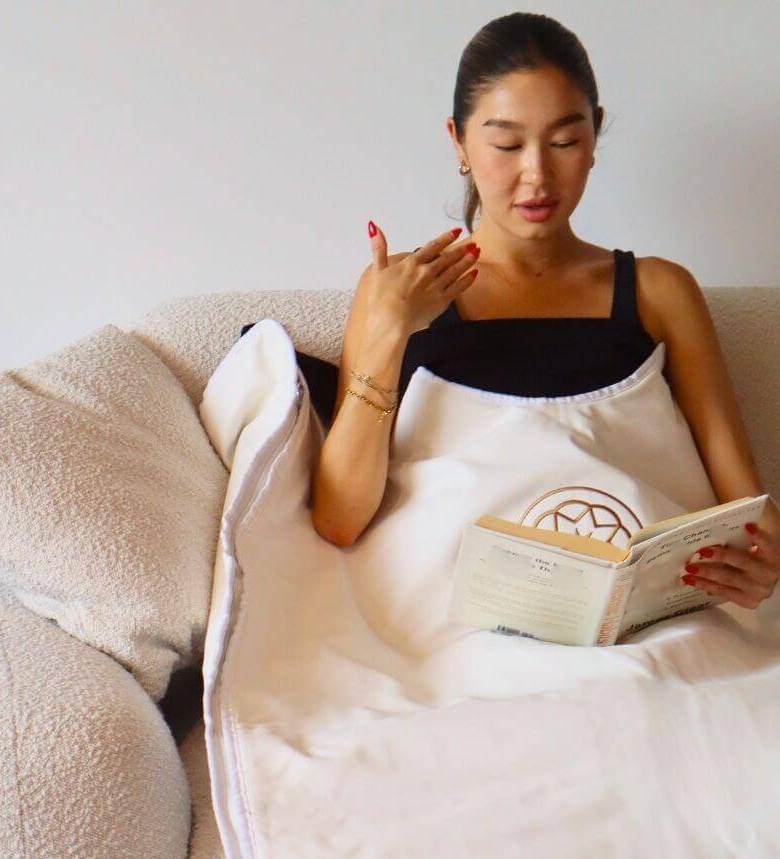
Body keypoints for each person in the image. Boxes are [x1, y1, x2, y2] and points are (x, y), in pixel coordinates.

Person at [309, 12, 778, 612]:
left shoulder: (660, 292)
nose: (537, 175)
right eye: (506, 144)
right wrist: (392, 329)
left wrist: (763, 564)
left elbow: (747, 512)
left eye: (564, 142)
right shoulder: (396, 290)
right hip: (450, 622)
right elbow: (339, 521)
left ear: (595, 134)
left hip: (644, 623)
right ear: (458, 141)